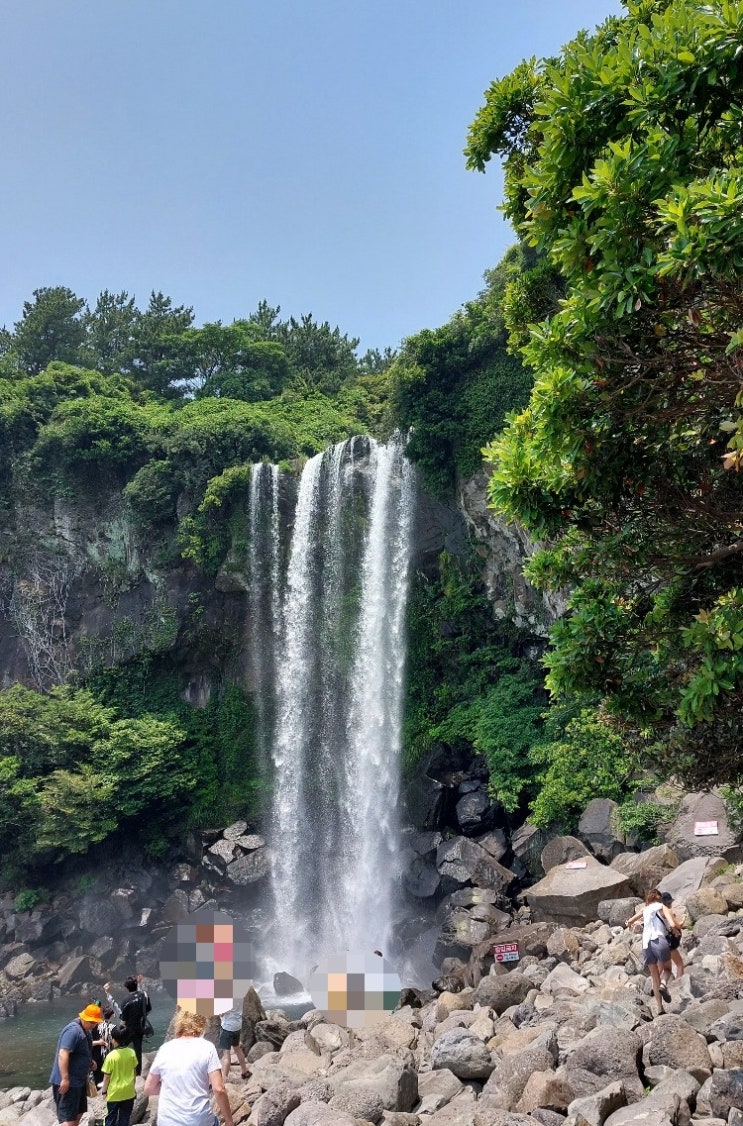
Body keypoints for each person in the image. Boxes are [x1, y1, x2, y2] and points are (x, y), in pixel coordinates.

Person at [143, 1008, 234, 1126]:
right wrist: (229, 1121)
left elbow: (148, 1088)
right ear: (202, 1024)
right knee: (215, 1120)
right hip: (197, 1120)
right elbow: (219, 1089)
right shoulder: (207, 1047)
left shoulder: (165, 1049)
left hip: (167, 1121)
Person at [49, 1002, 104, 1126]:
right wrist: (65, 1078)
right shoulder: (73, 1031)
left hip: (78, 1082)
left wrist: (90, 1062)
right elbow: (63, 1054)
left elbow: (80, 1051)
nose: (94, 1025)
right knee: (67, 1120)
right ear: (87, 1020)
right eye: (93, 1023)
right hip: (67, 1083)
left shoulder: (85, 1031)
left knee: (78, 1115)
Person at [627, 889, 677, 1015]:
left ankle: (660, 1009)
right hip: (659, 940)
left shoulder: (645, 909)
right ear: (659, 899)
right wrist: (674, 929)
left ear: (648, 899)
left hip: (646, 945)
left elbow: (630, 921)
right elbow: (671, 924)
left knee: (654, 977)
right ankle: (663, 986)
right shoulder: (662, 907)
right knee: (667, 970)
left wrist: (629, 924)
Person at [104, 977, 151, 1077]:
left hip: (128, 1029)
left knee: (120, 1048)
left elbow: (123, 1018)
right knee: (138, 1050)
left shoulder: (126, 1001)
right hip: (140, 1028)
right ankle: (138, 1075)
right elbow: (148, 1010)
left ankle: (119, 1071)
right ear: (136, 985)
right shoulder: (144, 995)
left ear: (127, 988)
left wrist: (107, 993)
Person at [100, 1024, 137, 1126]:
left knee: (110, 1119)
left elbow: (106, 1077)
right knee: (124, 1119)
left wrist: (104, 1091)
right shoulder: (131, 1053)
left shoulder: (111, 1056)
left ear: (114, 1040)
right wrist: (132, 1087)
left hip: (114, 1093)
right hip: (129, 1092)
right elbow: (134, 1074)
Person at [218, 1006, 248, 1081]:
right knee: (237, 1049)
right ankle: (245, 1071)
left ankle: (224, 1079)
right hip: (237, 1026)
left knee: (226, 1054)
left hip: (227, 1028)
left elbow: (221, 1014)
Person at [661, 891, 685, 980]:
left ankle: (656, 986)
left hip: (661, 943)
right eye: (670, 902)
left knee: (663, 969)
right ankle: (678, 985)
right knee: (679, 965)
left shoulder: (658, 914)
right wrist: (684, 919)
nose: (671, 903)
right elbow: (678, 925)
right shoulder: (669, 912)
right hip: (670, 944)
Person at [92, 1007, 116, 1087]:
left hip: (97, 1056)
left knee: (98, 1079)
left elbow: (90, 1042)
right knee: (109, 1077)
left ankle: (98, 1092)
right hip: (109, 1056)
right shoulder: (114, 1028)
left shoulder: (96, 1027)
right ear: (112, 1015)